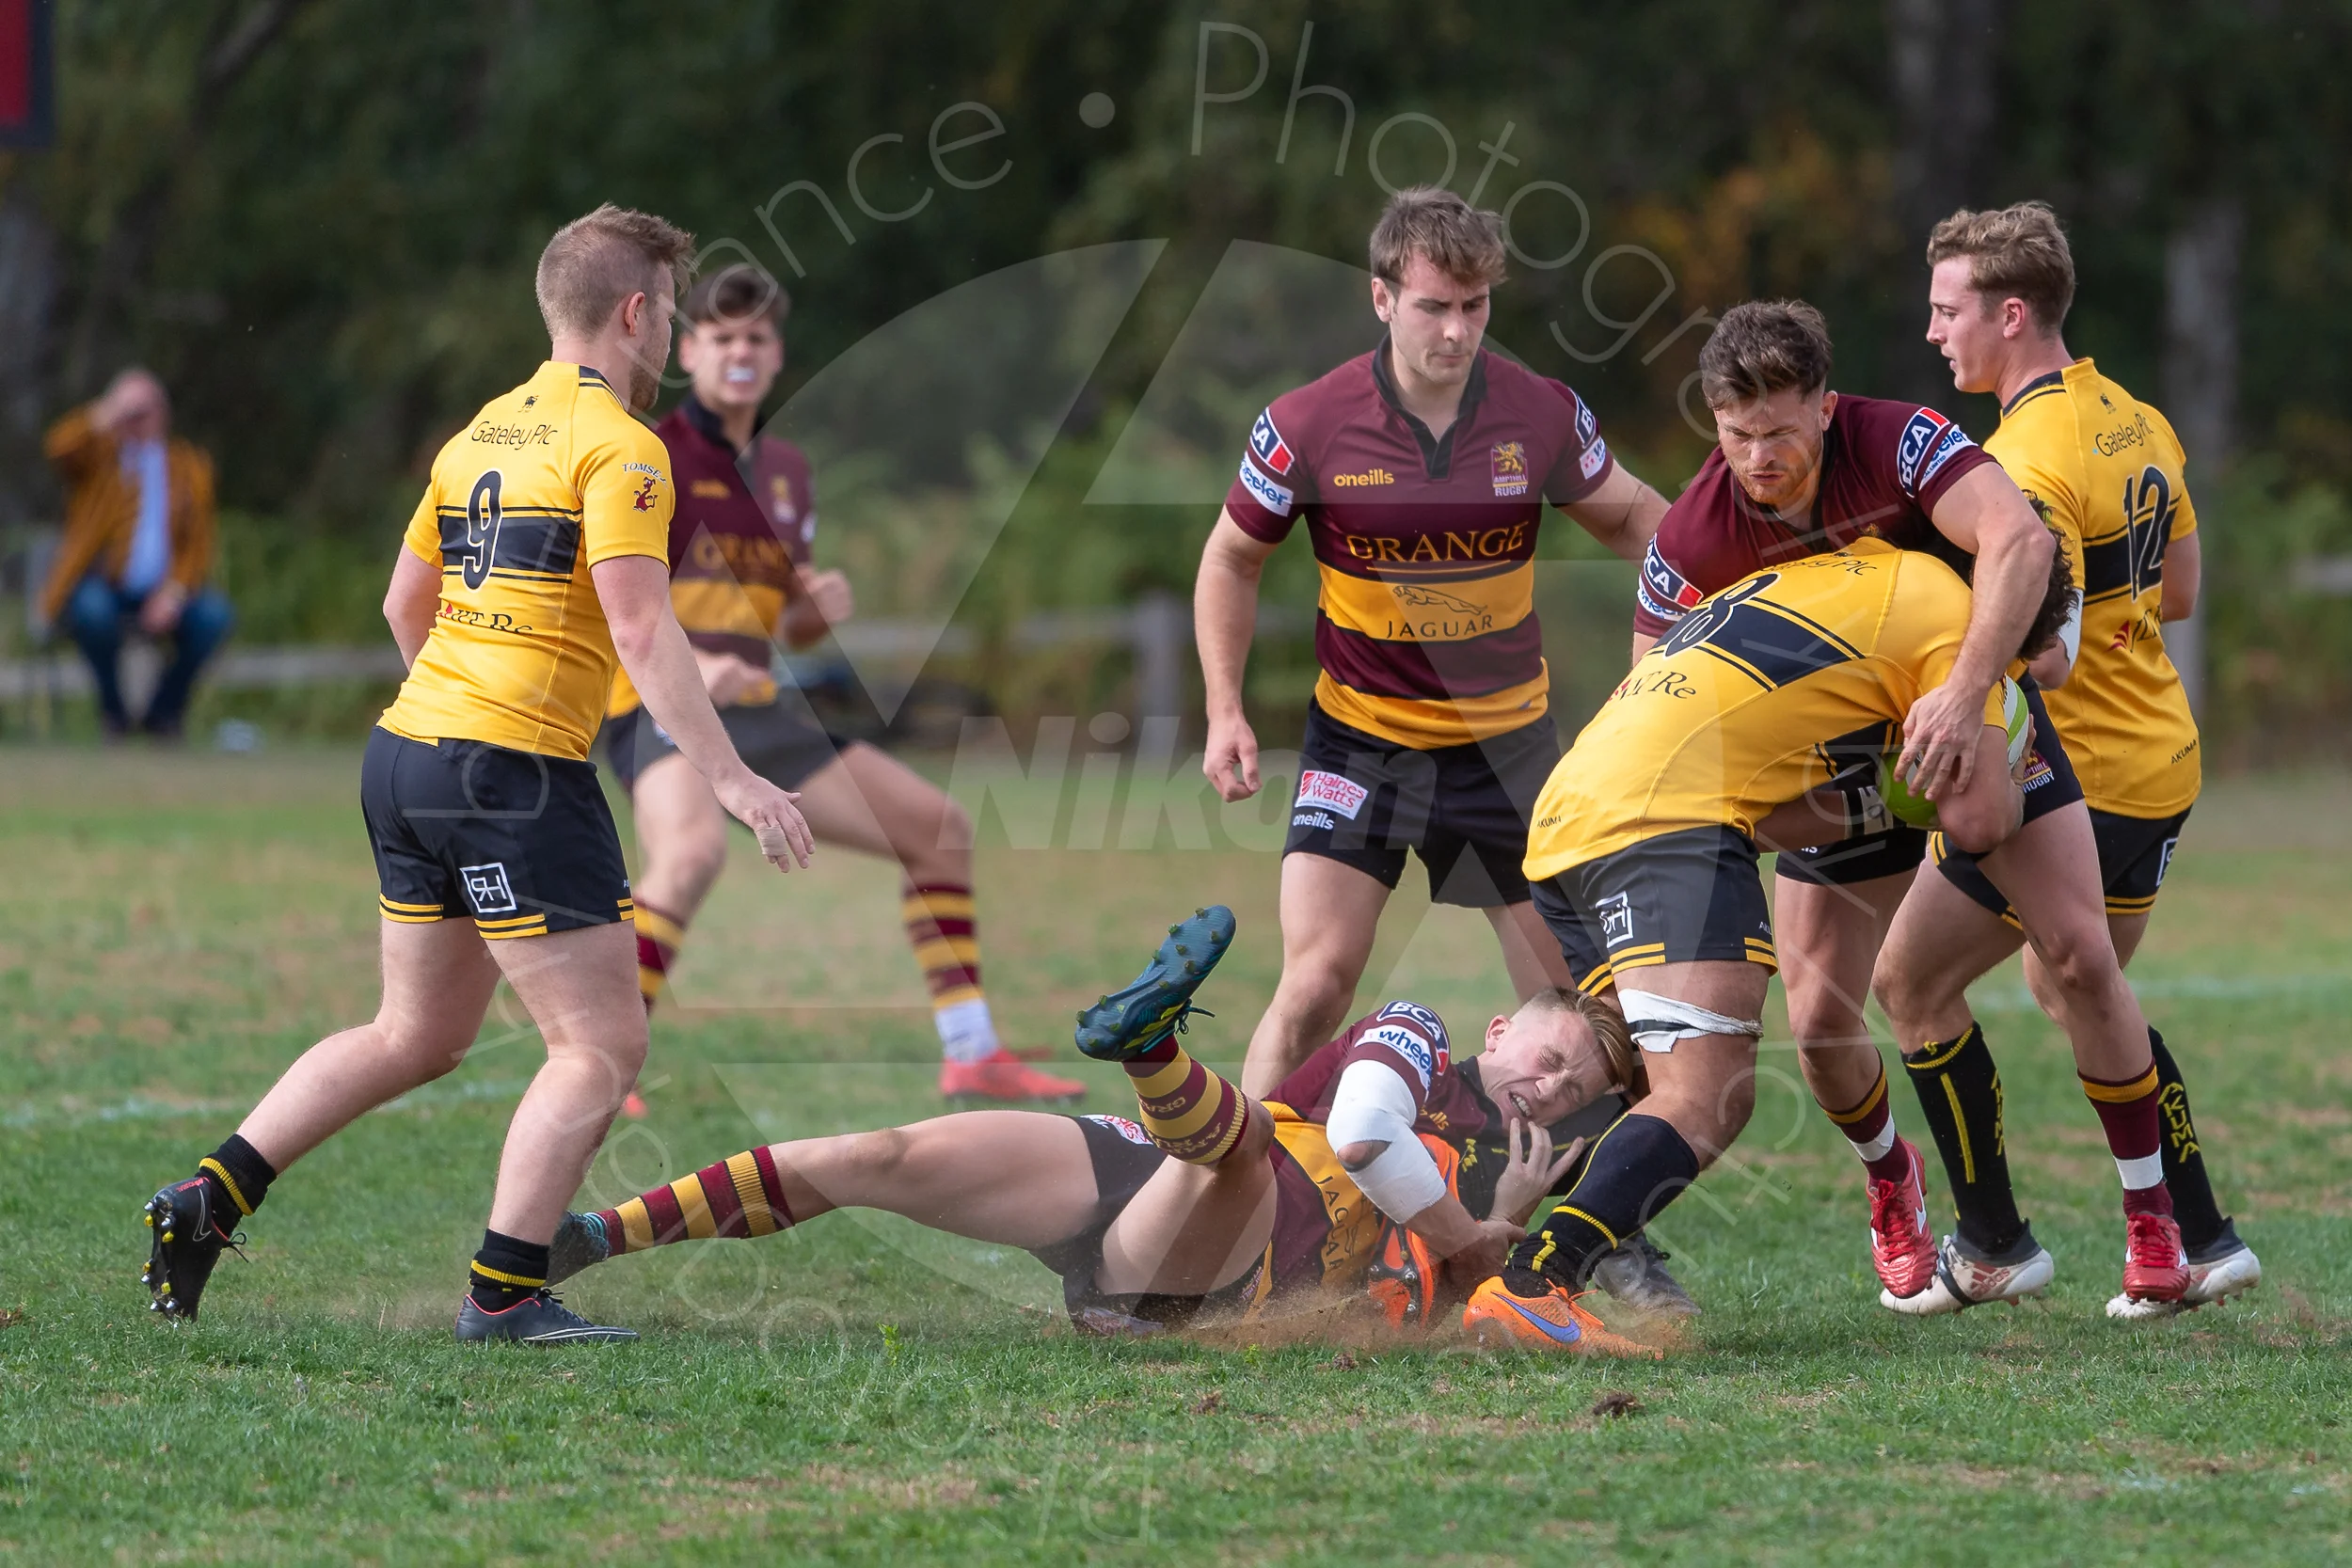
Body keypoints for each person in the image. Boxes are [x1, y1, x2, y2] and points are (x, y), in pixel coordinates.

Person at [139, 205, 815, 1344]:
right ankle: (503, 1292)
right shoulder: (625, 446)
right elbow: (645, 634)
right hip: (509, 773)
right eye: (671, 312)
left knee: (416, 1031)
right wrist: (737, 780)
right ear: (638, 313)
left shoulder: (480, 433)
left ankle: (211, 1196)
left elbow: (406, 603)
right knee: (599, 1046)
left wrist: (455, 722)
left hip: (407, 753)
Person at [1629, 299, 2229, 1313]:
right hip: (1839, 770)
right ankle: (1889, 1180)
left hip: (1969, 708)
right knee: (1820, 1024)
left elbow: (2018, 540)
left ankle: (2154, 1222)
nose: (1759, 457)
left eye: (1779, 431)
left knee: (2078, 954)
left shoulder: (1898, 441)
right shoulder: (1697, 530)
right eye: (1737, 437)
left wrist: (1963, 690)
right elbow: (1651, 692)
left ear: (1824, 405)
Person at [1462, 536, 2078, 1343]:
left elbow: (1768, 814)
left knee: (1614, 1079)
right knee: (1706, 1093)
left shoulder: (1841, 575)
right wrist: (2008, 732)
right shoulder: (1962, 632)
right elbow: (1984, 819)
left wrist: (1878, 803)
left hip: (1567, 819)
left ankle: (1421, 1230)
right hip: (1666, 823)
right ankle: (1536, 1276)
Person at [547, 907, 1654, 1353]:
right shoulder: (1412, 1033)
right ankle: (593, 1238)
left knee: (1235, 1149)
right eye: (1548, 1055)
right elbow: (1363, 1126)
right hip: (1156, 1162)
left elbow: (1443, 1323)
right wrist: (1473, 1230)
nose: (1551, 1088)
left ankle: (1153, 1050)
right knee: (875, 1156)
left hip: (1211, 1261)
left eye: (1578, 1088)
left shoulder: (1530, 1188)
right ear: (1502, 1028)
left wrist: (1504, 1230)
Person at [1878, 200, 2258, 1317]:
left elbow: (2048, 648)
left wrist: (1961, 673)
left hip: (2075, 775)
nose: (1934, 330)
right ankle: (2199, 1233)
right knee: (2081, 981)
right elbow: (2177, 590)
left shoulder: (2024, 457)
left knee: (1910, 982)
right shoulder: (2134, 418)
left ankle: (1993, 1240)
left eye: (1948, 310)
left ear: (2010, 312)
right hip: (2160, 760)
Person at [1194, 189, 1665, 1088]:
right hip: (1361, 741)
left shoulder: (1540, 414)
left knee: (1579, 1016)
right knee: (1316, 984)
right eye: (1433, 306)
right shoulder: (1307, 424)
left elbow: (1647, 529)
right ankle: (1234, 1198)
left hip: (1507, 749)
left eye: (1475, 306)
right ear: (1382, 299)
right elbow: (1229, 563)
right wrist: (1225, 710)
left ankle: (1596, 1224)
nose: (1457, 330)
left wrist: (1745, 597)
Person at [597, 261, 1080, 1108]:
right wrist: (696, 666)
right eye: (722, 336)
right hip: (656, 702)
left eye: (757, 336)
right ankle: (603, 1061)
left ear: (777, 353)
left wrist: (815, 610)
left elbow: (787, 623)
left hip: (759, 709)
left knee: (939, 829)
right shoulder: (654, 453)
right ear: (693, 352)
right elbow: (615, 598)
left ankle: (970, 1051)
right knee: (691, 855)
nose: (741, 350)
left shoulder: (785, 470)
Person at [41, 368, 235, 739]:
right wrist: (105, 416)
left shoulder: (188, 465)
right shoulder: (100, 459)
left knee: (214, 617)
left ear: (163, 413)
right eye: (129, 411)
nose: (136, 420)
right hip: (105, 586)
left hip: (165, 591)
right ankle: (113, 712)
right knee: (92, 611)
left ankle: (163, 713)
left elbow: (198, 544)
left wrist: (174, 594)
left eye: (144, 411)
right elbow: (58, 446)